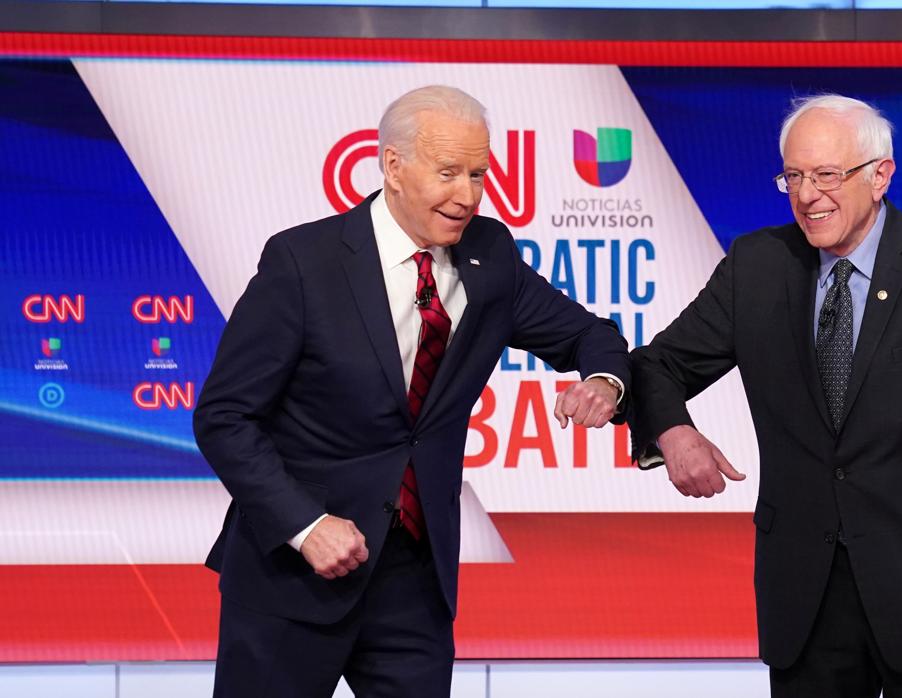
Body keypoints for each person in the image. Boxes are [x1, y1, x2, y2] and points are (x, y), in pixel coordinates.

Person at [194, 85, 629, 698]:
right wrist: (305, 524)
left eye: (478, 174)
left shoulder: (490, 255)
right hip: (294, 573)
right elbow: (225, 417)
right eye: (449, 172)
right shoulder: (303, 262)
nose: (468, 195)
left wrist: (603, 381)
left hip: (414, 584)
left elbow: (590, 335)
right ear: (393, 167)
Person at [629, 93, 902, 697]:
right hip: (808, 602)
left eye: (826, 175)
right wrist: (672, 430)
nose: (806, 195)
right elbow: (656, 364)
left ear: (881, 175)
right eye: (793, 177)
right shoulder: (757, 265)